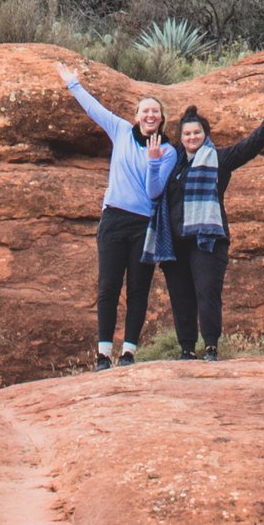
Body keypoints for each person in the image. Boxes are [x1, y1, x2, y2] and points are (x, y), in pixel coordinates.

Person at [162, 88, 264, 359]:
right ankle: (186, 349)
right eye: (187, 134)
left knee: (207, 292)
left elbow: (251, 145)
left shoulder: (219, 159)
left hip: (207, 240)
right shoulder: (170, 163)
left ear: (205, 135)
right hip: (174, 241)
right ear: (181, 137)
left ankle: (211, 345)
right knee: (181, 298)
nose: (192, 137)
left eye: (197, 133)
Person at [56, 63, 175, 367]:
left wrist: (153, 162)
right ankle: (103, 353)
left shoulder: (168, 151)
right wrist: (73, 84)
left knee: (138, 288)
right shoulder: (121, 130)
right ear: (137, 116)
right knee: (108, 286)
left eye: (155, 112)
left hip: (143, 225)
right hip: (113, 220)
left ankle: (129, 352)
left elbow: (154, 192)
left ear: (161, 119)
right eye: (145, 111)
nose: (150, 115)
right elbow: (95, 110)